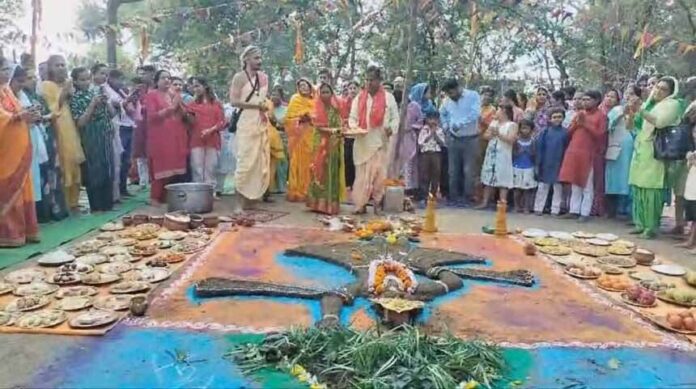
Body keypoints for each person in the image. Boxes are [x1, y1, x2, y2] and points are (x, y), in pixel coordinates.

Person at [630, 77, 682, 239]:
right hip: (641, 148)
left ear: (671, 92)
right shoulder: (648, 103)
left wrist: (641, 110)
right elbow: (635, 125)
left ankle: (651, 227)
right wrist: (632, 113)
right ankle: (639, 223)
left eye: (663, 89)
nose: (658, 91)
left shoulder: (672, 104)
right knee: (638, 187)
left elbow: (659, 123)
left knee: (651, 188)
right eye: (657, 87)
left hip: (656, 151)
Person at [349, 65, 399, 215]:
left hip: (381, 143)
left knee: (379, 176)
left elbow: (395, 118)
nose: (369, 83)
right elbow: (352, 118)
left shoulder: (389, 98)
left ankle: (378, 204)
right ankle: (360, 205)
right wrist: (355, 127)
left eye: (372, 80)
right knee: (362, 177)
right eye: (367, 80)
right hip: (363, 142)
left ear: (379, 81)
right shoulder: (359, 98)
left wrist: (391, 127)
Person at [0, 58, 40, 246]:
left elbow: (17, 114)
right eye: (3, 69)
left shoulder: (7, 91)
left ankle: (25, 230)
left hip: (19, 147)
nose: (7, 73)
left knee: (22, 187)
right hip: (5, 151)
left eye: (8, 69)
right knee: (8, 188)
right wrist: (18, 116)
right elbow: (5, 117)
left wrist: (29, 114)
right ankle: (8, 234)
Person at [22, 66, 68, 222]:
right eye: (29, 78)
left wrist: (47, 117)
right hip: (32, 140)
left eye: (33, 76)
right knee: (38, 178)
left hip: (47, 138)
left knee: (51, 175)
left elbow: (48, 115)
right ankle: (40, 215)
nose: (33, 80)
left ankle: (53, 210)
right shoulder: (21, 97)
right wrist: (43, 117)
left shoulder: (38, 97)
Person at [229, 45, 271, 212]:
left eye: (260, 58)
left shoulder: (264, 78)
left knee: (259, 162)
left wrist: (264, 105)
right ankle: (238, 203)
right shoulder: (239, 77)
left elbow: (263, 99)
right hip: (246, 121)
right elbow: (234, 101)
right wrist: (255, 105)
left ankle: (251, 199)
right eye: (256, 58)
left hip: (261, 121)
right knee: (245, 162)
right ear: (246, 59)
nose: (259, 61)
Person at [41, 55, 85, 210]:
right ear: (50, 68)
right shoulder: (46, 85)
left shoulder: (67, 85)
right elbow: (52, 108)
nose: (61, 68)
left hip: (71, 127)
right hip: (58, 128)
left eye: (63, 65)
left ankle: (74, 202)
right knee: (63, 163)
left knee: (74, 162)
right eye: (57, 65)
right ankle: (63, 203)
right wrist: (64, 93)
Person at [69, 67, 116, 212]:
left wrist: (107, 103)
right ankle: (96, 206)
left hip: (105, 134)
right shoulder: (75, 98)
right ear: (75, 81)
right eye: (82, 80)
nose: (86, 82)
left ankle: (108, 204)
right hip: (90, 135)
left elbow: (112, 114)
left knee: (108, 168)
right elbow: (80, 122)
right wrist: (92, 105)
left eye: (88, 79)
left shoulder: (96, 92)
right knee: (94, 170)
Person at [558, 90, 607, 222]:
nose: (584, 102)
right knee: (575, 183)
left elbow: (600, 135)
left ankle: (584, 213)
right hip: (574, 152)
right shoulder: (580, 114)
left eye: (588, 100)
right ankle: (574, 210)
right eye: (583, 99)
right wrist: (577, 123)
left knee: (587, 185)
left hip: (589, 154)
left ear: (597, 101)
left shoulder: (601, 116)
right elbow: (569, 133)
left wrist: (585, 124)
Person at [144, 70, 189, 205]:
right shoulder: (151, 95)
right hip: (159, 137)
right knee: (160, 167)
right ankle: (154, 197)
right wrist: (172, 107)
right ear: (156, 81)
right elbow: (152, 117)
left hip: (174, 137)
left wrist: (179, 105)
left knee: (171, 168)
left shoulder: (173, 94)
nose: (167, 80)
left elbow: (183, 114)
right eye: (163, 78)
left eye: (168, 78)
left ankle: (163, 196)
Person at [11, 66, 48, 214]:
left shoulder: (21, 95)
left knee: (30, 180)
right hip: (11, 145)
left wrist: (35, 114)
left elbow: (28, 116)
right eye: (19, 81)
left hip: (27, 140)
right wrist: (22, 116)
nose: (22, 85)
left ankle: (29, 218)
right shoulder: (5, 96)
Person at [439, 78, 481, 207]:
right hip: (453, 138)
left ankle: (467, 198)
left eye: (451, 93)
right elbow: (442, 113)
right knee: (453, 170)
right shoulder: (446, 101)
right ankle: (453, 198)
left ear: (458, 88)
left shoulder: (473, 96)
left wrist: (460, 124)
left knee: (469, 171)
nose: (450, 96)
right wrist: (446, 126)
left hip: (471, 138)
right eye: (448, 94)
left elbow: (475, 114)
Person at [306, 82, 346, 215]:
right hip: (320, 143)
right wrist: (332, 130)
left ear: (332, 93)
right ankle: (317, 203)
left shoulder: (336, 108)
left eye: (327, 92)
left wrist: (341, 130)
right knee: (319, 171)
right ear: (319, 94)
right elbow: (318, 127)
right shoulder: (316, 109)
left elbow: (341, 123)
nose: (325, 95)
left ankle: (330, 204)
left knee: (332, 171)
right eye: (322, 92)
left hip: (334, 143)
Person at [605, 85, 640, 219]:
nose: (629, 96)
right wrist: (622, 113)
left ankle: (629, 211)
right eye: (626, 93)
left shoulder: (640, 110)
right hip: (617, 148)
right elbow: (610, 125)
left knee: (629, 178)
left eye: (632, 94)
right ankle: (613, 209)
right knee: (614, 180)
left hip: (634, 148)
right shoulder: (616, 109)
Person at [391, 83, 432, 193]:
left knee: (410, 161)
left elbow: (420, 120)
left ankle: (410, 187)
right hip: (397, 137)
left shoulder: (414, 106)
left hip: (410, 137)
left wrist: (411, 128)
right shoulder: (395, 107)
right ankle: (397, 184)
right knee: (397, 161)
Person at [185, 77, 225, 188]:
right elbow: (188, 122)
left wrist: (210, 130)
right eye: (193, 86)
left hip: (212, 140)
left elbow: (222, 122)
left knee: (211, 168)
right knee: (197, 167)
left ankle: (210, 191)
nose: (195, 88)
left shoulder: (216, 104)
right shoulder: (192, 104)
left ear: (205, 86)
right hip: (196, 140)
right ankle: (198, 192)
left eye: (197, 85)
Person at [476, 105, 517, 209]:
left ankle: (502, 204)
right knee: (488, 177)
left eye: (498, 110)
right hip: (491, 154)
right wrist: (490, 134)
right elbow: (485, 136)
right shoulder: (494, 123)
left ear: (504, 111)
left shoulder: (512, 125)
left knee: (503, 179)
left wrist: (498, 133)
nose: (496, 112)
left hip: (503, 155)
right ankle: (485, 202)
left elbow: (511, 140)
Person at [104, 69, 136, 198]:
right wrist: (126, 100)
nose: (121, 82)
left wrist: (132, 98)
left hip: (129, 125)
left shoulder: (122, 91)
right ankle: (116, 192)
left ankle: (123, 188)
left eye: (122, 79)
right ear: (111, 79)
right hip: (119, 127)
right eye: (119, 79)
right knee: (119, 160)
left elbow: (129, 107)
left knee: (127, 160)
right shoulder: (106, 89)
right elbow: (116, 104)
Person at [285, 77, 315, 202]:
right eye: (301, 85)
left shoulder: (315, 101)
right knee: (297, 163)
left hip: (311, 135)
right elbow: (289, 118)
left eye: (305, 85)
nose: (303, 87)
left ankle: (308, 190)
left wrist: (311, 117)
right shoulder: (295, 99)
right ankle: (296, 190)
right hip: (297, 137)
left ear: (310, 86)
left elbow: (320, 116)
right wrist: (300, 118)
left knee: (310, 163)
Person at [534, 110, 568, 216]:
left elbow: (567, 148)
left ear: (563, 118)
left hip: (560, 163)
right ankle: (538, 208)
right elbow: (539, 148)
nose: (557, 119)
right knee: (543, 187)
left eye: (559, 116)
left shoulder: (566, 132)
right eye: (554, 117)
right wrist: (538, 163)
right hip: (546, 162)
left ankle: (555, 210)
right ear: (550, 119)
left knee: (558, 188)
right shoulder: (545, 132)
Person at [417, 111, 446, 201]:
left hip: (436, 154)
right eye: (430, 119)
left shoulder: (440, 130)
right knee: (424, 175)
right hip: (425, 154)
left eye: (435, 119)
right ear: (426, 120)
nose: (433, 121)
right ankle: (423, 195)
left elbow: (442, 143)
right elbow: (421, 143)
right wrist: (431, 133)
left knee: (435, 175)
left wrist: (435, 134)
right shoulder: (424, 129)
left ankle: (433, 195)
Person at [476, 86, 496, 202]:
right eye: (484, 94)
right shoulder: (475, 107)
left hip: (484, 141)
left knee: (484, 167)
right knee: (474, 168)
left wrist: (481, 120)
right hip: (472, 138)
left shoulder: (492, 110)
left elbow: (491, 125)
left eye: (489, 95)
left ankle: (485, 197)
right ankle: (475, 195)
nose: (486, 97)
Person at [512, 119, 537, 213]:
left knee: (527, 190)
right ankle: (516, 206)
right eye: (523, 128)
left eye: (527, 128)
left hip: (528, 167)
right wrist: (519, 152)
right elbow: (513, 153)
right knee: (517, 189)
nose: (525, 130)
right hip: (517, 166)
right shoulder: (517, 141)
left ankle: (526, 207)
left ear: (531, 130)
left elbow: (534, 154)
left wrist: (529, 152)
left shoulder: (533, 141)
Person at [269, 85, 288, 194]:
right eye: (272, 94)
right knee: (271, 163)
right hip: (269, 138)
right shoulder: (267, 108)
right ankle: (271, 187)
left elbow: (286, 124)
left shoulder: (286, 109)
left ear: (281, 96)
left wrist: (276, 121)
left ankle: (282, 186)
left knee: (282, 162)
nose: (273, 97)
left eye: (276, 94)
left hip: (282, 138)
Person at [341, 80, 360, 189]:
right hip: (347, 133)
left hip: (358, 134)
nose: (352, 90)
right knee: (347, 158)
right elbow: (342, 116)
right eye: (350, 88)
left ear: (358, 89)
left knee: (357, 159)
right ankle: (348, 183)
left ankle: (356, 183)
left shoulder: (362, 102)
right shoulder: (344, 102)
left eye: (354, 88)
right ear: (347, 90)